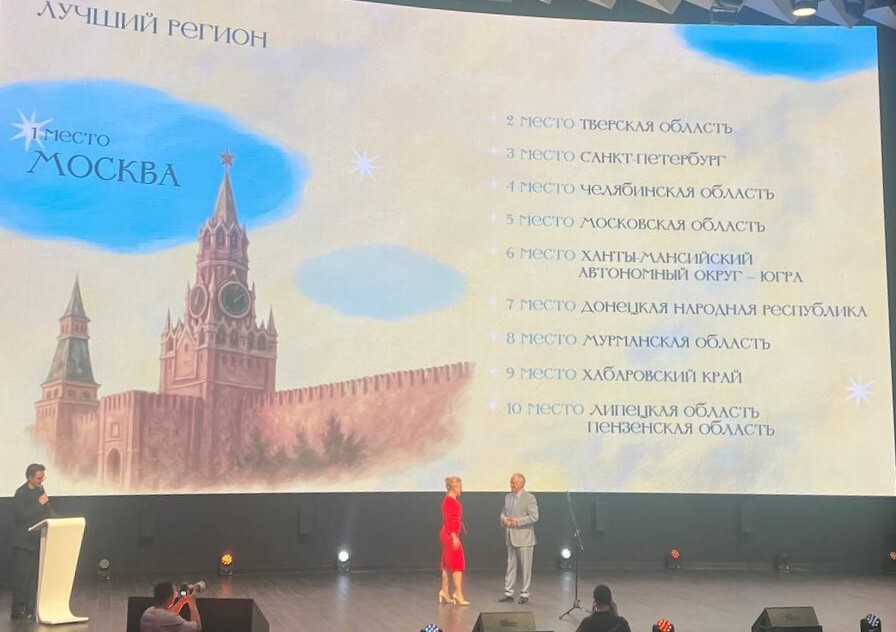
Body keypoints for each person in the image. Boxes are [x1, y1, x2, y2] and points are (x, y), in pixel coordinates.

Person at [10, 463, 54, 621]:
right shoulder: (21, 493)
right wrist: (38, 504)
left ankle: (31, 608)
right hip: (23, 543)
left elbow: (47, 510)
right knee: (22, 578)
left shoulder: (40, 490)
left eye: (43, 477)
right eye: (39, 478)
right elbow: (22, 515)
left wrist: (58, 519)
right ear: (29, 477)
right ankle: (18, 610)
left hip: (37, 541)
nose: (42, 480)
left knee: (33, 578)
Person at [498, 472, 538, 604]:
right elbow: (503, 512)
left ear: (521, 483)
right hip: (510, 537)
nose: (511, 485)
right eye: (510, 482)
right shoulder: (508, 497)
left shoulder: (529, 498)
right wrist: (503, 519)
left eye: (513, 482)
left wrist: (518, 522)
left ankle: (525, 594)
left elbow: (534, 516)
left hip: (525, 539)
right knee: (511, 566)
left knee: (526, 568)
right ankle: (508, 593)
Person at [438, 476, 469, 605]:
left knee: (447, 564)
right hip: (450, 535)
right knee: (457, 564)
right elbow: (448, 520)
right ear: (454, 487)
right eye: (460, 487)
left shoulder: (451, 500)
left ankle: (444, 591)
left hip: (450, 534)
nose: (461, 489)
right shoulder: (449, 501)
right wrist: (454, 536)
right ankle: (458, 593)